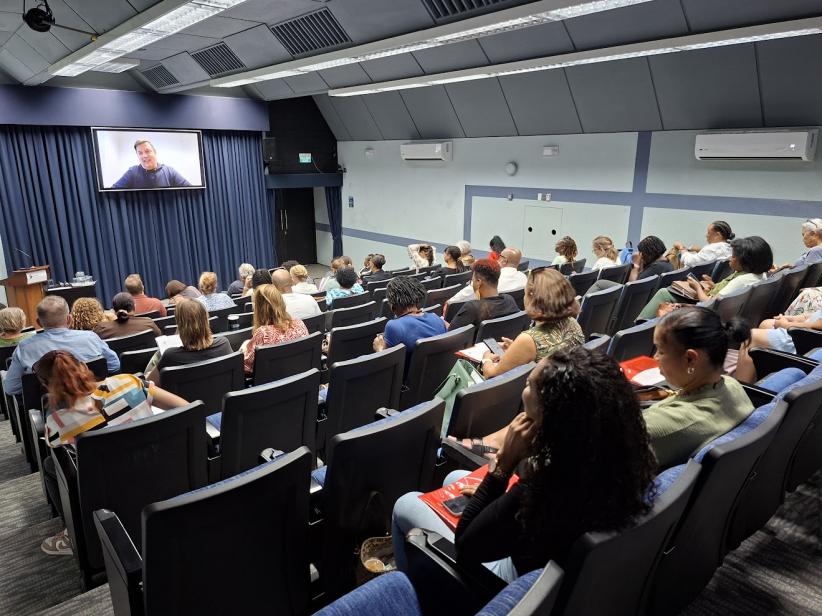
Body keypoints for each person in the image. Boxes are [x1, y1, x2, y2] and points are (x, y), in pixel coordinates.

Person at [391, 347, 657, 579]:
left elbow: (467, 545)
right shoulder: (607, 450)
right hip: (553, 558)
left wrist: (503, 467)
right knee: (455, 479)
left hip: (513, 581)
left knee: (407, 503)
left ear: (551, 412)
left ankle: (418, 590)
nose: (524, 388)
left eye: (530, 384)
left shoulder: (551, 480)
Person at [35, 350, 188, 555]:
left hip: (111, 490)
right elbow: (185, 408)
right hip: (162, 469)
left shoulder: (57, 423)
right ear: (84, 367)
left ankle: (75, 532)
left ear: (48, 387)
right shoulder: (128, 382)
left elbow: (63, 456)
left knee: (49, 465)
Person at [644, 306, 754, 468]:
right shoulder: (732, 384)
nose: (655, 357)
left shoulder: (656, 428)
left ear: (690, 359)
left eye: (660, 351)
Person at [4, 296, 120, 395]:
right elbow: (114, 365)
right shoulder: (90, 337)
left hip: (49, 412)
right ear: (69, 319)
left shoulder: (24, 348)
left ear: (39, 323)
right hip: (95, 400)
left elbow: (11, 388)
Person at [637, 236, 773, 321]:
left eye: (733, 256)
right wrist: (713, 286)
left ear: (746, 261)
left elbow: (710, 304)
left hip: (709, 315)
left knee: (663, 293)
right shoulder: (755, 275)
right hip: (724, 312)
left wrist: (697, 287)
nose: (730, 258)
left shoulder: (743, 279)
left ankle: (639, 325)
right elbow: (727, 294)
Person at [147, 299, 233, 385]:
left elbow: (149, 384)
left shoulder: (170, 356)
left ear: (179, 326)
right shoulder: (224, 344)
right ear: (206, 320)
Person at [373, 276, 447, 370]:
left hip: (407, 383)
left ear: (392, 306)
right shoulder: (436, 318)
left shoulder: (393, 326)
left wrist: (379, 349)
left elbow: (386, 368)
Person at [242, 284, 309, 374]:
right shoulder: (299, 323)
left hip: (273, 385)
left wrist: (244, 349)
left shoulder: (263, 333)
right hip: (300, 380)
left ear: (258, 308)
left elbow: (246, 368)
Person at [586, 236, 673, 296]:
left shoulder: (656, 267)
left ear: (648, 253)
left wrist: (636, 266)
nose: (640, 255)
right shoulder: (667, 263)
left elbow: (632, 286)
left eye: (641, 253)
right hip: (643, 295)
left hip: (631, 296)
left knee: (600, 284)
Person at [447, 259, 519, 331]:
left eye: (472, 280)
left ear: (478, 281)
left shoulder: (473, 307)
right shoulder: (509, 300)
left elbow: (451, 335)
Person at [449, 248, 527, 304]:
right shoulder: (524, 278)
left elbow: (456, 301)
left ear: (504, 261)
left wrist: (449, 303)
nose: (497, 259)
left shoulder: (489, 279)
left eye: (500, 257)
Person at [111, 139, 191, 189]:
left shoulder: (169, 171)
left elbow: (189, 188)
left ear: (155, 152)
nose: (144, 156)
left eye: (147, 151)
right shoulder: (132, 172)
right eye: (140, 153)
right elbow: (113, 191)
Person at [93, 293, 161, 339]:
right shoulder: (148, 323)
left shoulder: (101, 330)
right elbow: (161, 341)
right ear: (134, 307)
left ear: (114, 310)